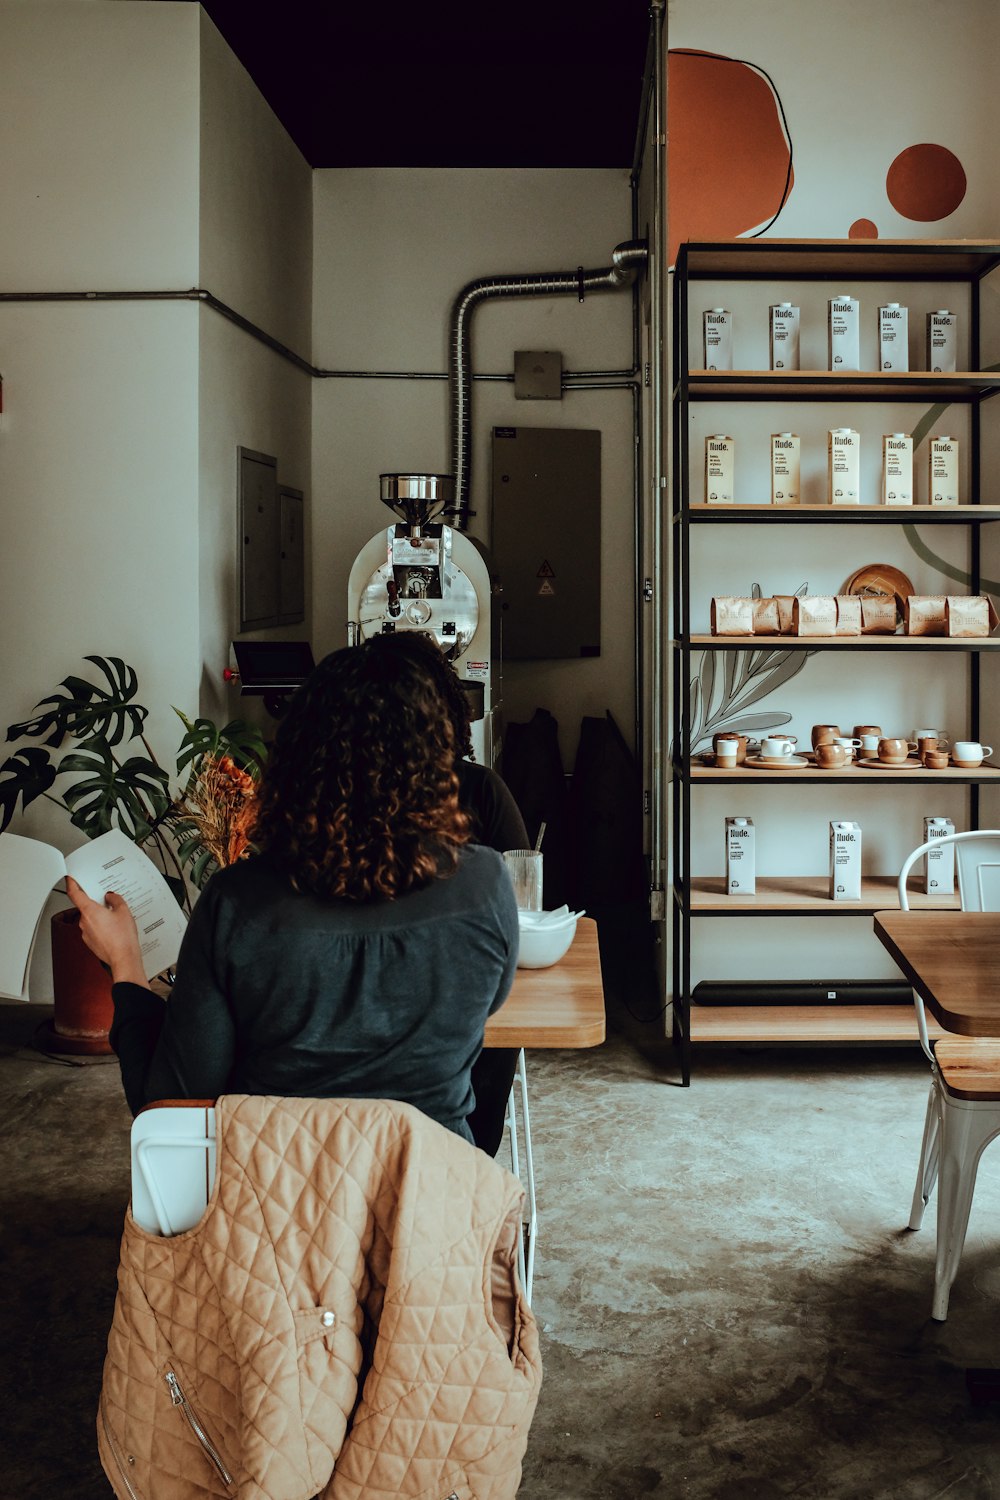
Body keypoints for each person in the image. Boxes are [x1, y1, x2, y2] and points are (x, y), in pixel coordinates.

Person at [66, 635, 519, 1145]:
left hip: (277, 1210)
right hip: (431, 1206)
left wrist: (125, 964)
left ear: (298, 758)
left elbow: (170, 1105)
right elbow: (490, 1002)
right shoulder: (486, 885)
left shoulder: (236, 903)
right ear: (435, 765)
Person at [371, 631, 530, 1156]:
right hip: (450, 1111)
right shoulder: (482, 832)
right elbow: (521, 913)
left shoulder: (316, 831)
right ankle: (474, 1166)